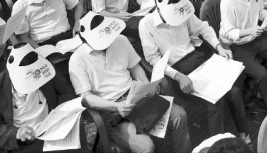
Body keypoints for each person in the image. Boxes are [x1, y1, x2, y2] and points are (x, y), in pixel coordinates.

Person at [69, 12, 192, 153]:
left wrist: (146, 86)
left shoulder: (120, 40)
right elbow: (86, 97)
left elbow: (135, 68)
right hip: (111, 110)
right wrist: (116, 106)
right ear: (85, 39)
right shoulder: (77, 59)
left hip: (136, 97)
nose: (106, 42)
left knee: (179, 116)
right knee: (146, 147)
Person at [139, 0, 250, 142]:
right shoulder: (146, 24)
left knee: (234, 91)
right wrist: (178, 77)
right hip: (177, 71)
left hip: (197, 59)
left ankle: (245, 135)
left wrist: (219, 46)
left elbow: (203, 28)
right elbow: (153, 59)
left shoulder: (181, 8)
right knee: (215, 102)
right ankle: (216, 146)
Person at [0, 42, 86, 153]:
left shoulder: (45, 68)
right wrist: (17, 133)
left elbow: (66, 91)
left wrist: (58, 114)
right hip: (23, 144)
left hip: (52, 130)